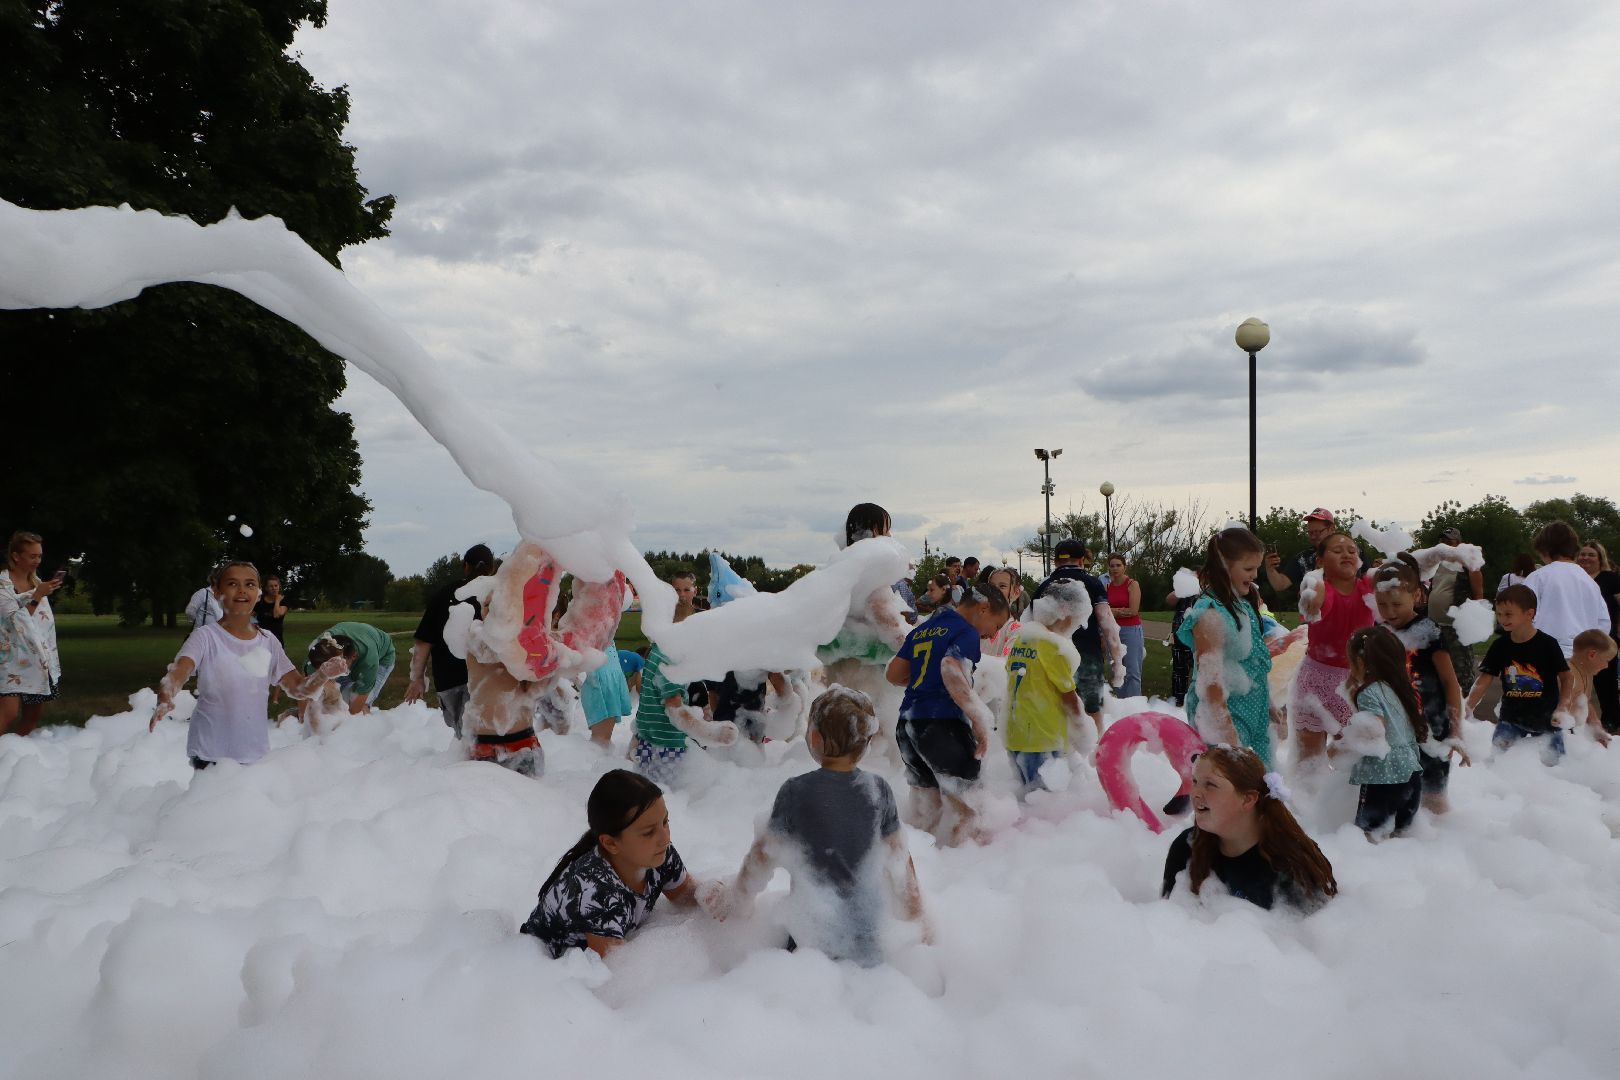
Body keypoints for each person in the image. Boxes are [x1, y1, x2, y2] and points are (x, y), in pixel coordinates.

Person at [708, 688, 929, 964]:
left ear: (814, 737)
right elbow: (900, 860)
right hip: (869, 936)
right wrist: (918, 921)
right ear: (868, 741)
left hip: (813, 936)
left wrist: (737, 902)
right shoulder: (879, 790)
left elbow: (762, 856)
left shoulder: (795, 791)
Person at [150, 561, 349, 767]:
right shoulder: (205, 637)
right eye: (233, 584)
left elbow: (299, 688)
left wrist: (323, 674)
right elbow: (179, 671)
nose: (242, 590)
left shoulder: (268, 641)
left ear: (259, 593)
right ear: (217, 591)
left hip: (255, 753)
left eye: (250, 584)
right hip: (210, 753)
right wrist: (166, 695)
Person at [520, 770, 708, 958]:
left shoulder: (659, 855)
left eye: (665, 822)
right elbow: (618, 969)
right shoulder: (595, 890)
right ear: (610, 843)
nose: (664, 838)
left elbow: (685, 896)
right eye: (648, 832)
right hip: (545, 966)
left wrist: (710, 895)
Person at [884, 584, 1009, 845]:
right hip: (942, 725)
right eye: (996, 624)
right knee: (968, 807)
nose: (993, 634)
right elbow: (950, 667)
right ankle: (965, 869)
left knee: (925, 808)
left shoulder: (923, 629)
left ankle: (927, 862)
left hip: (907, 725)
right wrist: (979, 719)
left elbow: (893, 674)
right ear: (983, 608)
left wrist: (926, 681)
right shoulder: (965, 631)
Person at [1161, 745, 1336, 912]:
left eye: (1210, 785)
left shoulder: (1291, 865)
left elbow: (1313, 937)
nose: (1195, 793)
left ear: (1248, 799)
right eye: (1195, 781)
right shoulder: (1187, 847)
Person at [1371, 555, 1467, 813]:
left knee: (1433, 798)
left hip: (1432, 726)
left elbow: (1450, 681)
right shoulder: (1379, 631)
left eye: (1396, 604)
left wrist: (1456, 730)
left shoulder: (1428, 630)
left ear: (1416, 596)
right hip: (1396, 727)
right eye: (1382, 604)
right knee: (1399, 793)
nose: (1389, 612)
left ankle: (1436, 841)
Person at [1176, 527, 1278, 767]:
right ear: (1224, 566)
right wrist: (1226, 733)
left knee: (1263, 780)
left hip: (1253, 706)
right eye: (1248, 568)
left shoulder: (1243, 603)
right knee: (1231, 781)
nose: (1254, 575)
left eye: (1256, 568)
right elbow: (1210, 681)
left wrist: (1269, 704)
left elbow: (1252, 661)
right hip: (1223, 711)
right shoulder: (1210, 613)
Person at [1465, 584, 1573, 765]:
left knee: (1556, 766)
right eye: (1499, 614)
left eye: (1508, 614)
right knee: (1498, 760)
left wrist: (1562, 707)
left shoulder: (1547, 644)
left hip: (1547, 718)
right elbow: (1484, 679)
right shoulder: (1500, 646)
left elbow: (1566, 677)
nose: (1502, 619)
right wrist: (1468, 706)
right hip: (1511, 717)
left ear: (1529, 614)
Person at [1292, 531, 1375, 764]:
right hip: (1315, 679)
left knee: (1355, 753)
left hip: (1354, 682)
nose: (1346, 555)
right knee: (1308, 761)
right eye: (1337, 551)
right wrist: (1315, 582)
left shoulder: (1367, 587)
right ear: (1320, 561)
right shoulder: (1320, 588)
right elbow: (1314, 606)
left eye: (1351, 551)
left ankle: (1337, 787)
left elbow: (1400, 577)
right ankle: (1309, 796)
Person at [1003, 581, 1087, 798]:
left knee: (1025, 799)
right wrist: (1083, 731)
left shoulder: (1022, 639)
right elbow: (1068, 695)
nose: (1075, 625)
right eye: (1076, 620)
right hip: (1042, 736)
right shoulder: (1052, 646)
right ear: (1065, 614)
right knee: (1042, 804)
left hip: (1015, 733)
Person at [1342, 626, 1427, 839]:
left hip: (1384, 778)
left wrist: (1342, 747)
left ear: (1361, 663)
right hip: (1412, 776)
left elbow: (1373, 731)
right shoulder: (1400, 688)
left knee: (1366, 838)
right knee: (1403, 838)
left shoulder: (1369, 693)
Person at [1031, 539, 1122, 736]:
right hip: (1087, 654)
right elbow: (1107, 623)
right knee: (1092, 709)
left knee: (1056, 708)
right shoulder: (1092, 583)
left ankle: (1063, 757)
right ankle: (1094, 750)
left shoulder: (1044, 586)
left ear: (1055, 561)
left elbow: (1031, 626)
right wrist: (1118, 662)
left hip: (1051, 657)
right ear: (1081, 560)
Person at [404, 544, 495, 736]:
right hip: (489, 678)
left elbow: (424, 641)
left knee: (465, 737)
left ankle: (469, 764)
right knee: (488, 736)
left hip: (449, 679)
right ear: (492, 568)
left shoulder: (445, 594)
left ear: (465, 566)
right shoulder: (499, 594)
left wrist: (417, 678)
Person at [0, 531, 63, 736]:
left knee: (31, 717)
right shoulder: (3, 586)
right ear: (16, 556)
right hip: (9, 659)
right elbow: (14, 621)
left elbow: (43, 624)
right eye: (32, 556)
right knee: (7, 713)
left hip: (37, 661)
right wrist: (36, 596)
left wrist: (39, 592)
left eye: (40, 556)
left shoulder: (37, 582)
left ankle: (12, 759)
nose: (37, 561)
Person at [1524, 522, 1608, 656]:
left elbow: (1523, 615)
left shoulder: (1538, 577)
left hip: (1545, 654)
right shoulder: (1590, 582)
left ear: (1545, 550)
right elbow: (1603, 622)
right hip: (1583, 656)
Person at [1427, 526, 1486, 693]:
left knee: (1461, 670)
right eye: (1442, 541)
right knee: (1436, 668)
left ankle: (1466, 706)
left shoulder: (1469, 565)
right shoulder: (1437, 564)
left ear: (1458, 543)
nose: (1445, 545)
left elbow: (1478, 594)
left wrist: (1474, 623)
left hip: (1456, 627)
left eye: (1449, 541)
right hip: (1436, 626)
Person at [1575, 541, 1620, 730]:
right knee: (1577, 679)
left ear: (1600, 558)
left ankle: (1611, 718)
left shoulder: (1610, 578)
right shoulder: (1574, 578)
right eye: (1583, 554)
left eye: (1591, 554)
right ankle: (1575, 717)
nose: (1586, 558)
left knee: (1605, 682)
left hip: (1604, 638)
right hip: (1578, 637)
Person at [307, 620, 396, 715]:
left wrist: (350, 724)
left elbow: (360, 698)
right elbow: (305, 690)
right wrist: (303, 717)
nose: (333, 675)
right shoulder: (316, 653)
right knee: (330, 701)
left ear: (353, 656)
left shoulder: (369, 660)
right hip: (352, 644)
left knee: (362, 706)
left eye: (337, 668)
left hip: (382, 655)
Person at [1263, 508, 1337, 595]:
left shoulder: (1349, 554)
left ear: (1331, 529)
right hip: (1312, 608)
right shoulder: (1302, 558)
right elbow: (1280, 585)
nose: (1313, 537)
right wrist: (1270, 569)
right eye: (1310, 533)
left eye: (1317, 532)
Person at [1565, 629, 1617, 745]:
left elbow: (1583, 701)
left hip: (1574, 734)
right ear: (1592, 655)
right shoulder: (1568, 676)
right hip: (1561, 735)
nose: (1607, 666)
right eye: (1606, 660)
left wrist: (1595, 725)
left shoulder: (1587, 673)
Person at [1104, 554, 1144, 697]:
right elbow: (1102, 611)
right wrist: (1118, 611)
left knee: (1133, 670)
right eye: (1112, 565)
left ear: (1124, 567)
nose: (1115, 568)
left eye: (1118, 565)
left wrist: (1111, 611)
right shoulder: (1106, 587)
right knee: (1117, 669)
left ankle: (1134, 708)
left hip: (1131, 630)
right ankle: (1121, 706)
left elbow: (1133, 611)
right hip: (1112, 632)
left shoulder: (1132, 584)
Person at [1166, 573, 1200, 708]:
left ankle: (1197, 703)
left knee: (1200, 673)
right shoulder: (1184, 591)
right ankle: (1178, 702)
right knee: (1179, 672)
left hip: (1199, 640)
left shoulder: (1207, 592)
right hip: (1180, 640)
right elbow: (1169, 600)